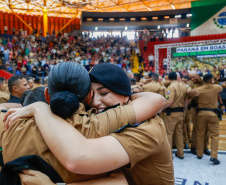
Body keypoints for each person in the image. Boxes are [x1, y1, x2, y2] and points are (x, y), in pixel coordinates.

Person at [2, 62, 166, 184]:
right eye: (91, 95)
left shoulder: (147, 124)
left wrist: (39, 108)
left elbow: (82, 157)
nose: (95, 102)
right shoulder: (92, 118)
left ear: (125, 95)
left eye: (104, 93)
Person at [195, 74, 223, 164]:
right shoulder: (216, 88)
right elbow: (222, 87)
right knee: (214, 135)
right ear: (211, 80)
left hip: (201, 114)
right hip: (212, 114)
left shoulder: (198, 89)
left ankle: (199, 154)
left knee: (200, 134)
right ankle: (213, 156)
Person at [162, 72, 187, 159]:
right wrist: (184, 111)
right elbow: (186, 99)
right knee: (179, 133)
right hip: (180, 113)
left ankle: (169, 155)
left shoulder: (170, 87)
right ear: (177, 78)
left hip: (171, 113)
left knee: (169, 133)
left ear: (169, 79)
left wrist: (160, 109)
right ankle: (181, 153)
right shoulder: (183, 86)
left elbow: (169, 101)